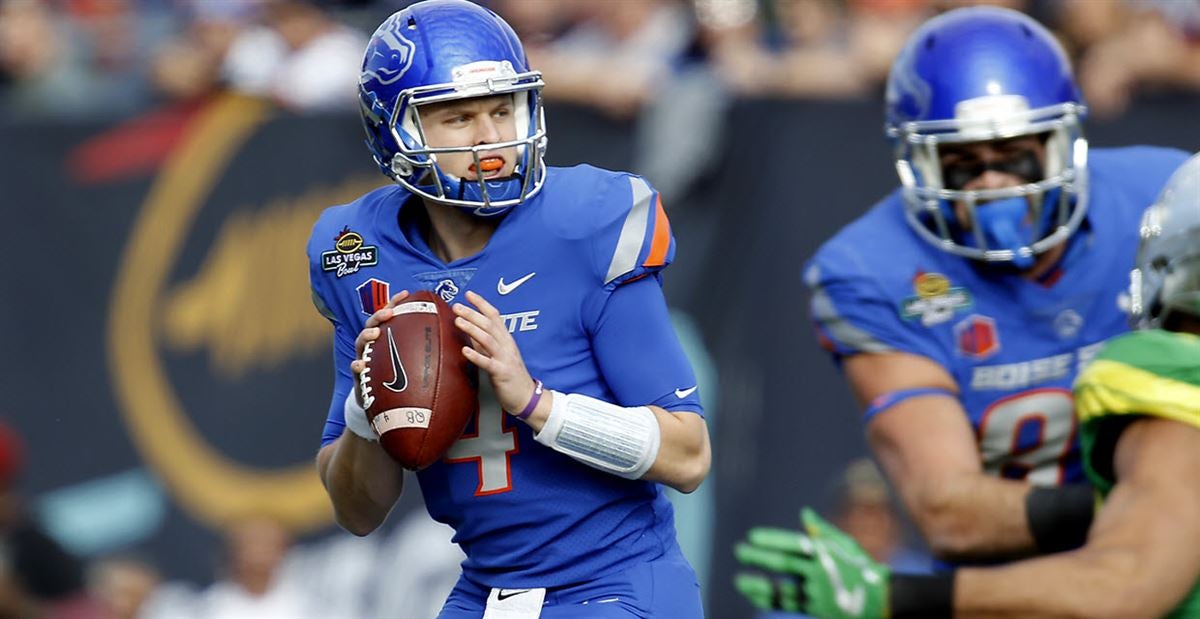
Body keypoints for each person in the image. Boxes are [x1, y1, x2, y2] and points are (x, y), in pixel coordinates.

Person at [736, 5, 1189, 616]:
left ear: (1065, 140)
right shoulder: (873, 270)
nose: (993, 183)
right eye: (963, 162)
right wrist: (1150, 506)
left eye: (1016, 154)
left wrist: (1163, 510)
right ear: (918, 161)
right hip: (1009, 585)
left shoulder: (1164, 198)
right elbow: (949, 510)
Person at [306, 1, 711, 617]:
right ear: (395, 131)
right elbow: (357, 511)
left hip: (615, 582)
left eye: (502, 109)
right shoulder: (357, 254)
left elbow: (688, 456)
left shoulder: (587, 222)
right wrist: (369, 412)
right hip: (486, 589)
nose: (491, 138)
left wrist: (534, 401)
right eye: (458, 118)